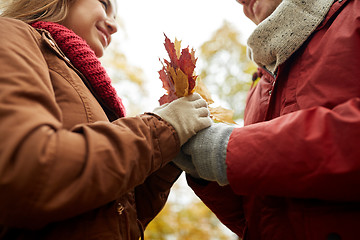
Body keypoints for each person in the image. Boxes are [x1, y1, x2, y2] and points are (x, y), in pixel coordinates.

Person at [0, 0, 212, 239]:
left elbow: (114, 214)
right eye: (103, 3)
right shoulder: (11, 34)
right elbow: (26, 175)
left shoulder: (92, 89)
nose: (113, 25)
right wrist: (162, 128)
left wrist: (170, 158)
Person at [174, 0, 360, 239]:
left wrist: (228, 149)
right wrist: (203, 171)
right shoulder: (260, 84)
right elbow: (257, 218)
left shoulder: (354, 16)